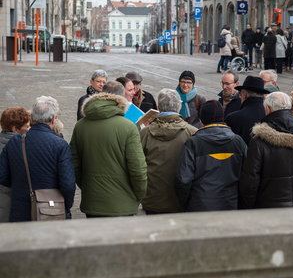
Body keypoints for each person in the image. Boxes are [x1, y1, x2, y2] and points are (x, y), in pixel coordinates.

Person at [70, 81, 147, 217]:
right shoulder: (128, 127)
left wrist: (88, 186)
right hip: (123, 203)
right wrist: (139, 195)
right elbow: (137, 168)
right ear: (121, 98)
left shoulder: (81, 126)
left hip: (92, 200)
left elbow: (74, 164)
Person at [239, 91, 293, 209]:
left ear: (268, 109)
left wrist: (250, 206)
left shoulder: (259, 140)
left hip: (269, 207)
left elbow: (250, 182)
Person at [0, 96, 76, 222]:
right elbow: (67, 183)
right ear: (52, 119)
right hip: (51, 209)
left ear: (32, 118)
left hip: (20, 209)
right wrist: (66, 204)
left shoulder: (15, 141)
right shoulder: (60, 144)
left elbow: (2, 176)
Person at [176, 100, 247, 212]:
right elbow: (247, 176)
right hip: (230, 204)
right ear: (222, 118)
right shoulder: (238, 142)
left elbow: (184, 180)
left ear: (202, 120)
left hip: (199, 205)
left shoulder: (193, 143)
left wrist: (185, 203)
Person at [140, 89, 197, 214]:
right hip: (180, 200)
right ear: (179, 107)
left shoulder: (145, 133)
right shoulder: (192, 132)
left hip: (152, 199)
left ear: (159, 107)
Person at [0, 107, 31, 222]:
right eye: (27, 126)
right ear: (15, 129)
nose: (30, 128)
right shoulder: (21, 148)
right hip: (10, 203)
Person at [225, 76, 269, 146]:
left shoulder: (233, 118)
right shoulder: (269, 114)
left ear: (244, 94)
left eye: (240, 94)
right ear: (263, 96)